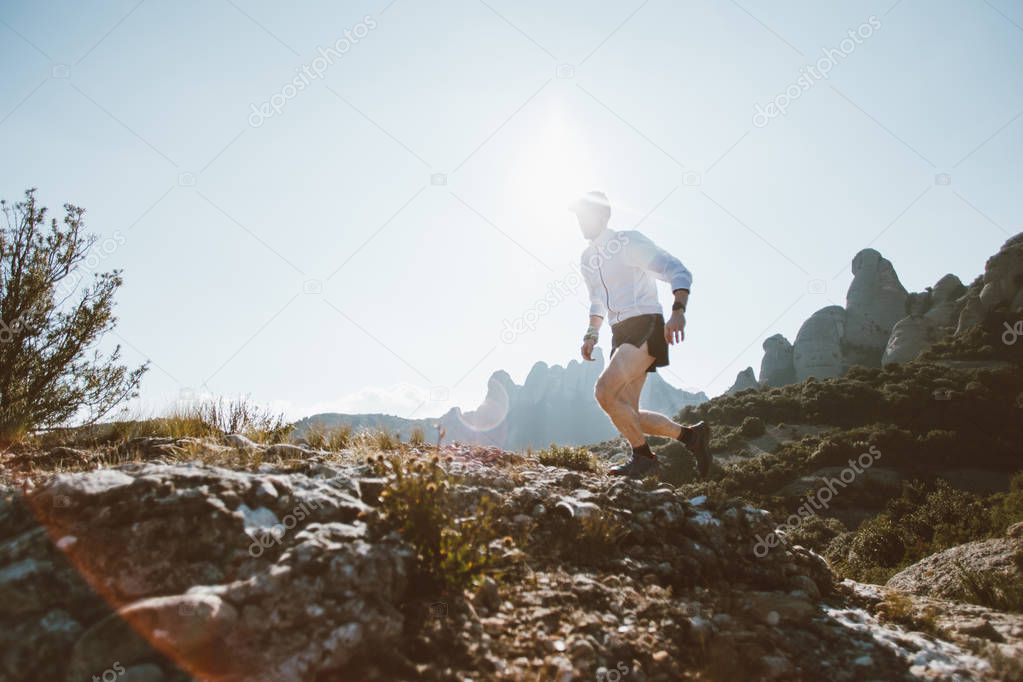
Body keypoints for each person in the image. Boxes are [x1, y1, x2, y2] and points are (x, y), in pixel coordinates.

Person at [573, 191, 711, 478]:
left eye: (585, 214)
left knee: (603, 391)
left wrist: (678, 311)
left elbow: (677, 269)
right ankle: (691, 437)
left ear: (603, 215)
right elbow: (597, 299)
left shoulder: (627, 242)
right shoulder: (587, 258)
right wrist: (591, 333)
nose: (580, 221)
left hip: (646, 323)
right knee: (626, 412)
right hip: (618, 332)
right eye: (578, 215)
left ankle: (644, 458)